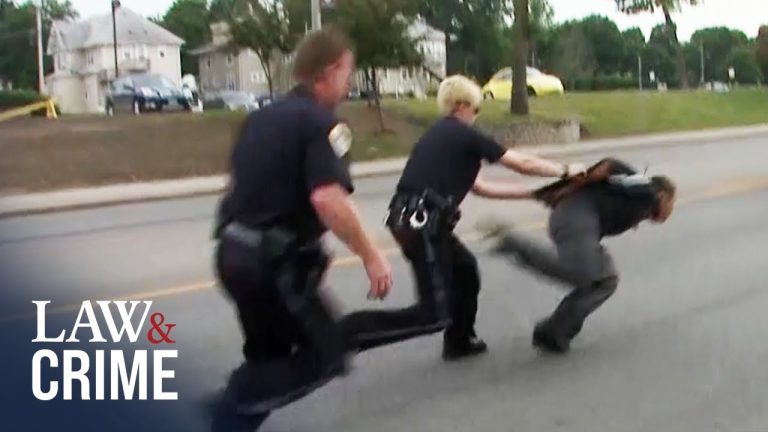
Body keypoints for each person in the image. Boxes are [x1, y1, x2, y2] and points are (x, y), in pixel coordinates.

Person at [211, 27, 393, 430]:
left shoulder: (258, 118)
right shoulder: (322, 124)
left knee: (268, 362)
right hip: (273, 268)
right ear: (328, 72)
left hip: (233, 255)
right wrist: (372, 255)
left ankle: (226, 414)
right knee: (328, 356)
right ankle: (217, 407)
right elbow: (327, 199)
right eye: (348, 72)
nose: (350, 84)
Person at [340, 75, 586, 361]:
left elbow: (481, 188)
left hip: (418, 222)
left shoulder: (443, 137)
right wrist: (565, 171)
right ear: (461, 106)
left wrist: (535, 195)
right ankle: (346, 334)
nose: (476, 114)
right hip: (421, 224)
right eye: (476, 108)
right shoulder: (462, 134)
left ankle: (459, 340)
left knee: (466, 271)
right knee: (433, 314)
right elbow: (521, 162)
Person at [481, 158, 676, 354]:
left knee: (604, 280)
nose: (671, 210)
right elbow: (610, 165)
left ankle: (555, 332)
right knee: (579, 273)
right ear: (663, 195)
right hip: (576, 220)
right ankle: (512, 242)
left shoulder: (638, 203)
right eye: (672, 203)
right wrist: (569, 188)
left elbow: (608, 186)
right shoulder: (646, 191)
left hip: (576, 222)